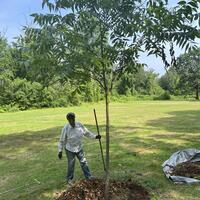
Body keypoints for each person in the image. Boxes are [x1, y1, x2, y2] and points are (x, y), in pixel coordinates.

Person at [58, 112, 101, 184]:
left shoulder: (79, 125)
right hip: (70, 149)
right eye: (70, 120)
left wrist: (95, 136)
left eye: (73, 119)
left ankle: (89, 177)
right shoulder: (65, 128)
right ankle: (69, 179)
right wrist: (60, 151)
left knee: (83, 162)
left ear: (74, 118)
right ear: (68, 120)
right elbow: (61, 140)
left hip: (79, 147)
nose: (72, 122)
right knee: (71, 164)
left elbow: (87, 133)